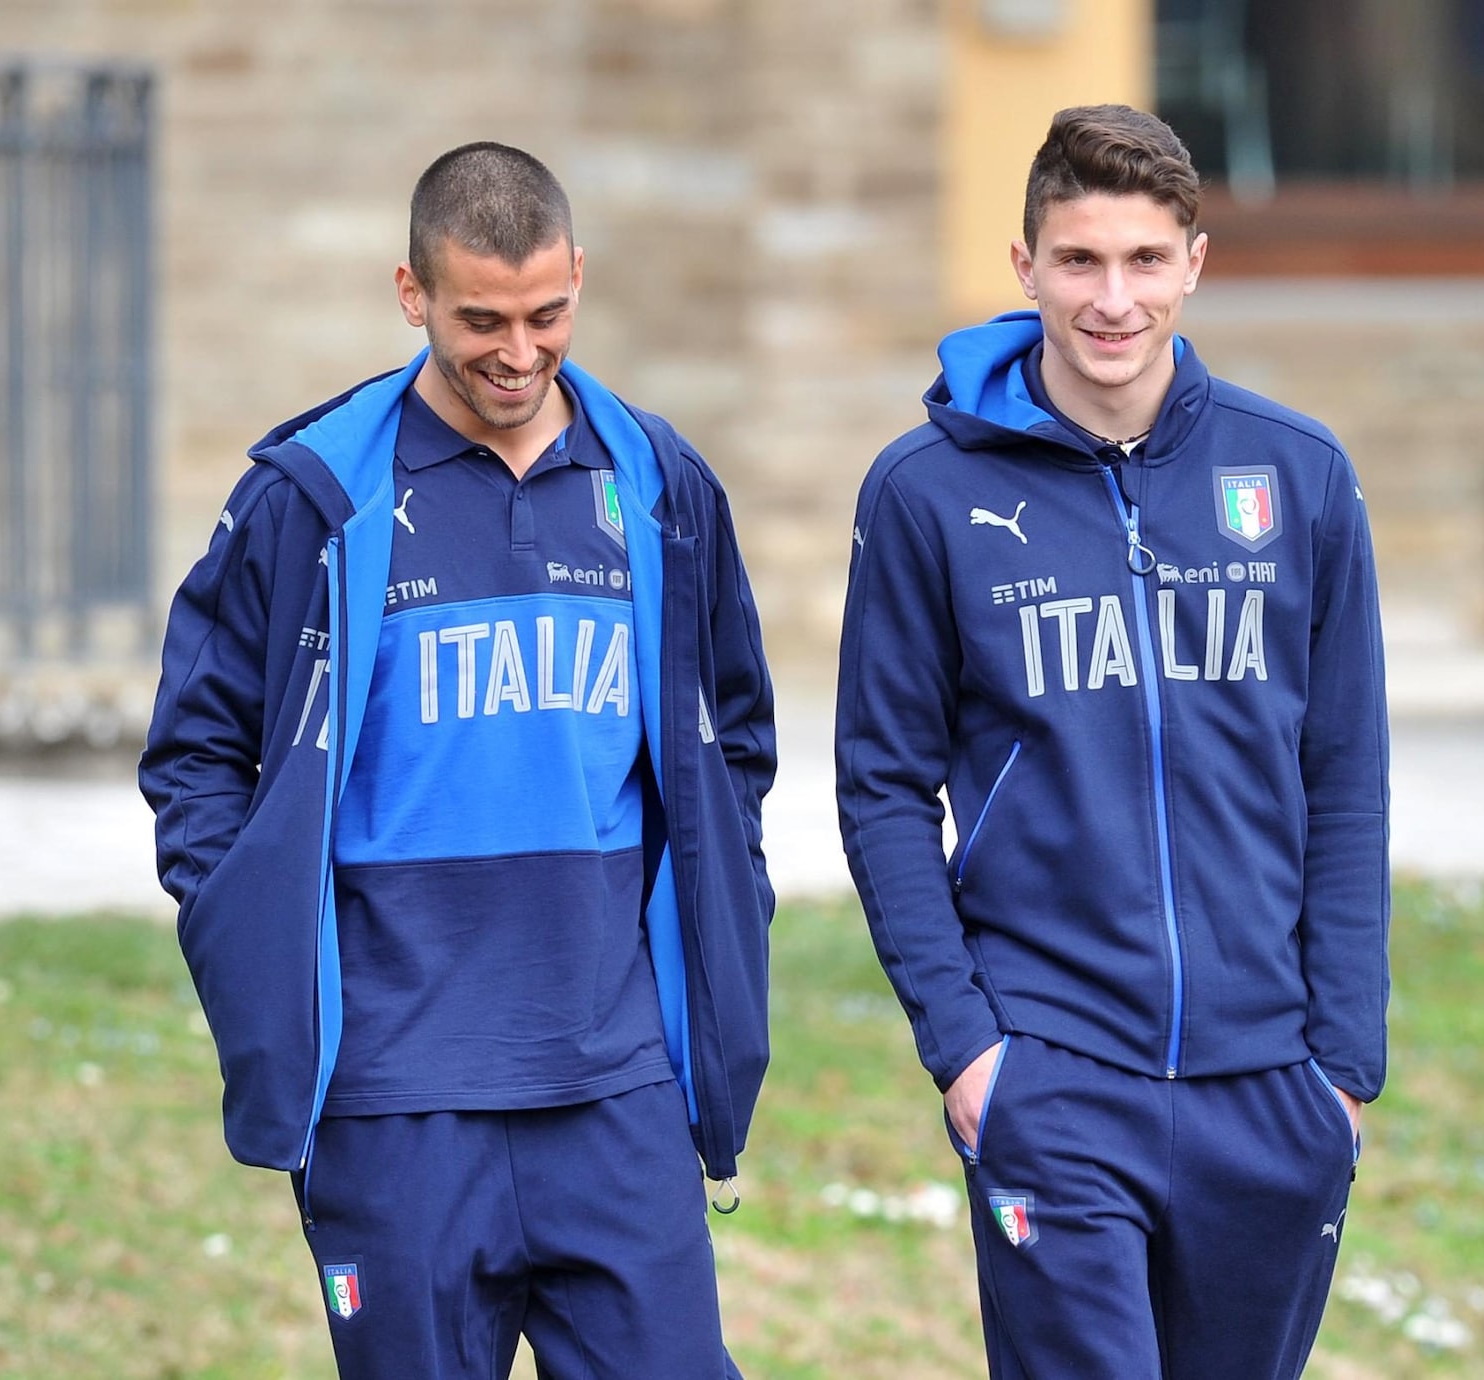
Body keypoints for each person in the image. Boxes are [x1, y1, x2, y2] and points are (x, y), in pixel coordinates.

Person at [140, 141, 776, 1380]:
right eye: (480, 318)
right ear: (409, 292)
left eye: (547, 314)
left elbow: (730, 739)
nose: (518, 351)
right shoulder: (312, 496)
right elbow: (197, 750)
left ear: (579, 278)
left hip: (617, 1091)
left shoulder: (660, 485)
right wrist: (247, 928)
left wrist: (716, 904)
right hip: (389, 1103)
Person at [835, 104, 1389, 1378]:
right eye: (1077, 260)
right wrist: (969, 1051)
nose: (1111, 299)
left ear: (1194, 260)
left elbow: (1345, 776)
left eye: (1143, 261)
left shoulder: (1296, 474)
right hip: (1054, 1071)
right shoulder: (926, 492)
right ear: (1023, 265)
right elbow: (877, 787)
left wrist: (1340, 1067)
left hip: (1272, 1088)